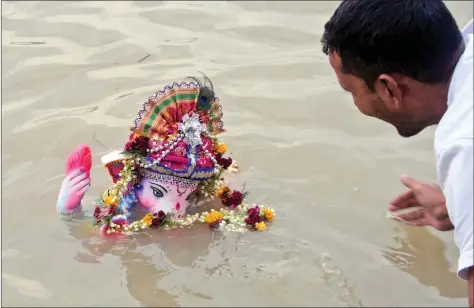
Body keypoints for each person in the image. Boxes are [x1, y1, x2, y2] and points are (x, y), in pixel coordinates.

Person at [321, 0, 473, 306]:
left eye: (352, 91)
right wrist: (462, 204)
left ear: (389, 88)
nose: (356, 104)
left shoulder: (464, 146)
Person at [55, 76, 276, 236]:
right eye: (158, 192)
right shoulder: (123, 205)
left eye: (185, 196)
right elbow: (89, 230)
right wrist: (69, 209)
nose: (174, 208)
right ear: (135, 180)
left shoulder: (201, 198)